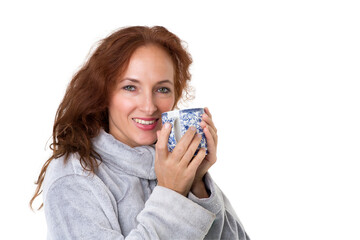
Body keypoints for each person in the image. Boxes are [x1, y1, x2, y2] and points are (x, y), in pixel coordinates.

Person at [30, 26, 250, 240]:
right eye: (130, 87)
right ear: (104, 94)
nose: (149, 106)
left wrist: (196, 184)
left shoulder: (174, 164)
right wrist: (171, 194)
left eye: (162, 89)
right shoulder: (73, 176)